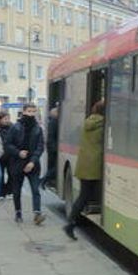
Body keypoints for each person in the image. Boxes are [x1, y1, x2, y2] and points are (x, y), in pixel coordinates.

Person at [64, 101, 104, 240]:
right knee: (84, 196)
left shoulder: (88, 122)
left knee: (84, 195)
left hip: (84, 164)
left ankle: (71, 223)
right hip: (93, 165)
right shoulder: (103, 126)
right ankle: (70, 224)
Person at [5, 103, 46, 225]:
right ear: (23, 112)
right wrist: (18, 153)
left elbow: (40, 147)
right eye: (29, 111)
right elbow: (7, 144)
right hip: (17, 163)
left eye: (33, 111)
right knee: (16, 190)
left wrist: (33, 161)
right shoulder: (15, 127)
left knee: (35, 189)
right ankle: (18, 212)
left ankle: (37, 213)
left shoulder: (38, 128)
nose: (31, 114)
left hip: (32, 165)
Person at [0, 111, 14, 199]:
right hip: (0, 156)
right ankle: (1, 192)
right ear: (0, 119)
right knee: (0, 175)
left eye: (8, 118)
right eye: (5, 119)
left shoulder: (13, 128)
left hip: (11, 156)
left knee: (12, 174)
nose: (7, 120)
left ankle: (9, 191)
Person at [42, 106, 59, 190]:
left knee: (53, 167)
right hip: (53, 148)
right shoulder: (54, 122)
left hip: (52, 147)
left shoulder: (52, 121)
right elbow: (52, 136)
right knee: (56, 168)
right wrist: (55, 148)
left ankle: (45, 181)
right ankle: (43, 180)